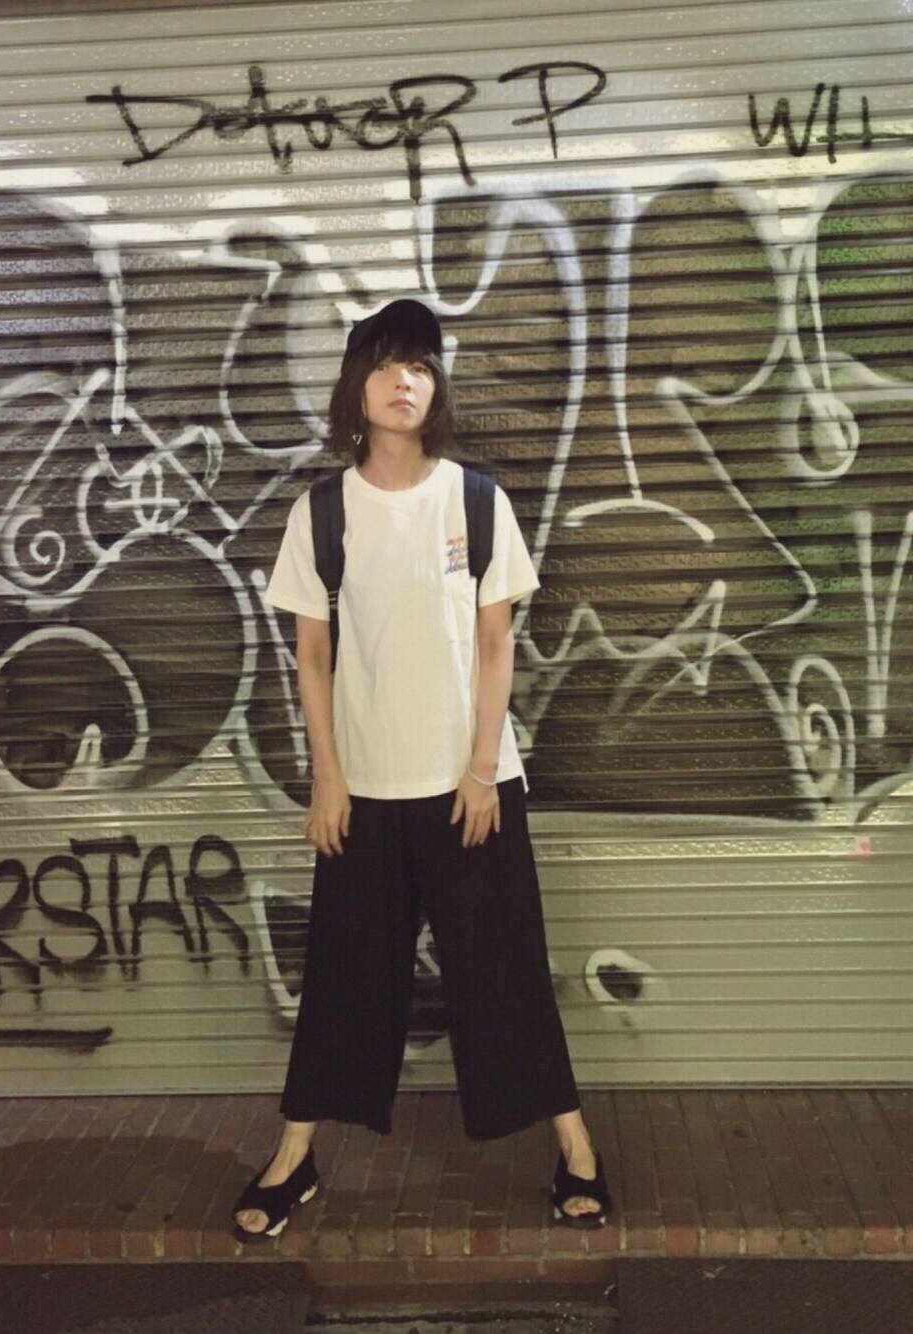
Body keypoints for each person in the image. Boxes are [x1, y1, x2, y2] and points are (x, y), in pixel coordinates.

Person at [233, 298, 611, 1240]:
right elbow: (311, 657)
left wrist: (481, 770)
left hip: (470, 791)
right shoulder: (323, 513)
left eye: (420, 366)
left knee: (505, 971)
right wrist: (326, 779)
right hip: (363, 794)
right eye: (385, 364)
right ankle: (294, 1156)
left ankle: (576, 1149)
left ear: (436, 389)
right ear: (355, 387)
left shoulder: (475, 502)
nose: (404, 381)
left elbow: (497, 643)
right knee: (344, 979)